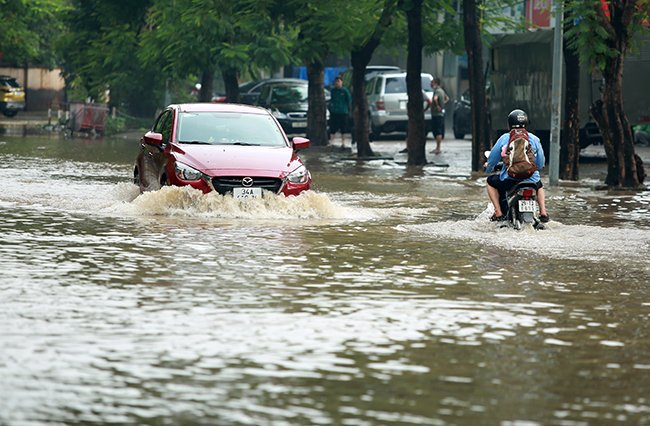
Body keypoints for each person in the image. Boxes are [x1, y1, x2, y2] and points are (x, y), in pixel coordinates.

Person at [485, 109, 549, 223]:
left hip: (510, 179)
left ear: (509, 124)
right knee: (539, 186)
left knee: (490, 181)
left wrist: (488, 169)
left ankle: (498, 212)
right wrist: (535, 170)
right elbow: (541, 162)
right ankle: (543, 212)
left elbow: (492, 159)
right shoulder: (534, 138)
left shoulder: (505, 138)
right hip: (531, 180)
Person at [328, 76, 352, 148]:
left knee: (343, 127)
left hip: (343, 112)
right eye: (336, 82)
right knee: (332, 127)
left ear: (342, 82)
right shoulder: (333, 91)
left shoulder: (345, 91)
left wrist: (344, 107)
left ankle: (343, 142)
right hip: (335, 111)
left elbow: (348, 102)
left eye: (338, 81)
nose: (337, 83)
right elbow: (332, 100)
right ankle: (331, 141)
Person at [429, 77, 449, 154]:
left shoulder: (437, 91)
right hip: (440, 114)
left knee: (437, 131)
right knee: (439, 130)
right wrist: (442, 104)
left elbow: (434, 99)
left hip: (437, 114)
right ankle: (438, 147)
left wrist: (437, 106)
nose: (431, 84)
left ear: (436, 84)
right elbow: (447, 98)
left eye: (432, 82)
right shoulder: (442, 91)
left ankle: (438, 148)